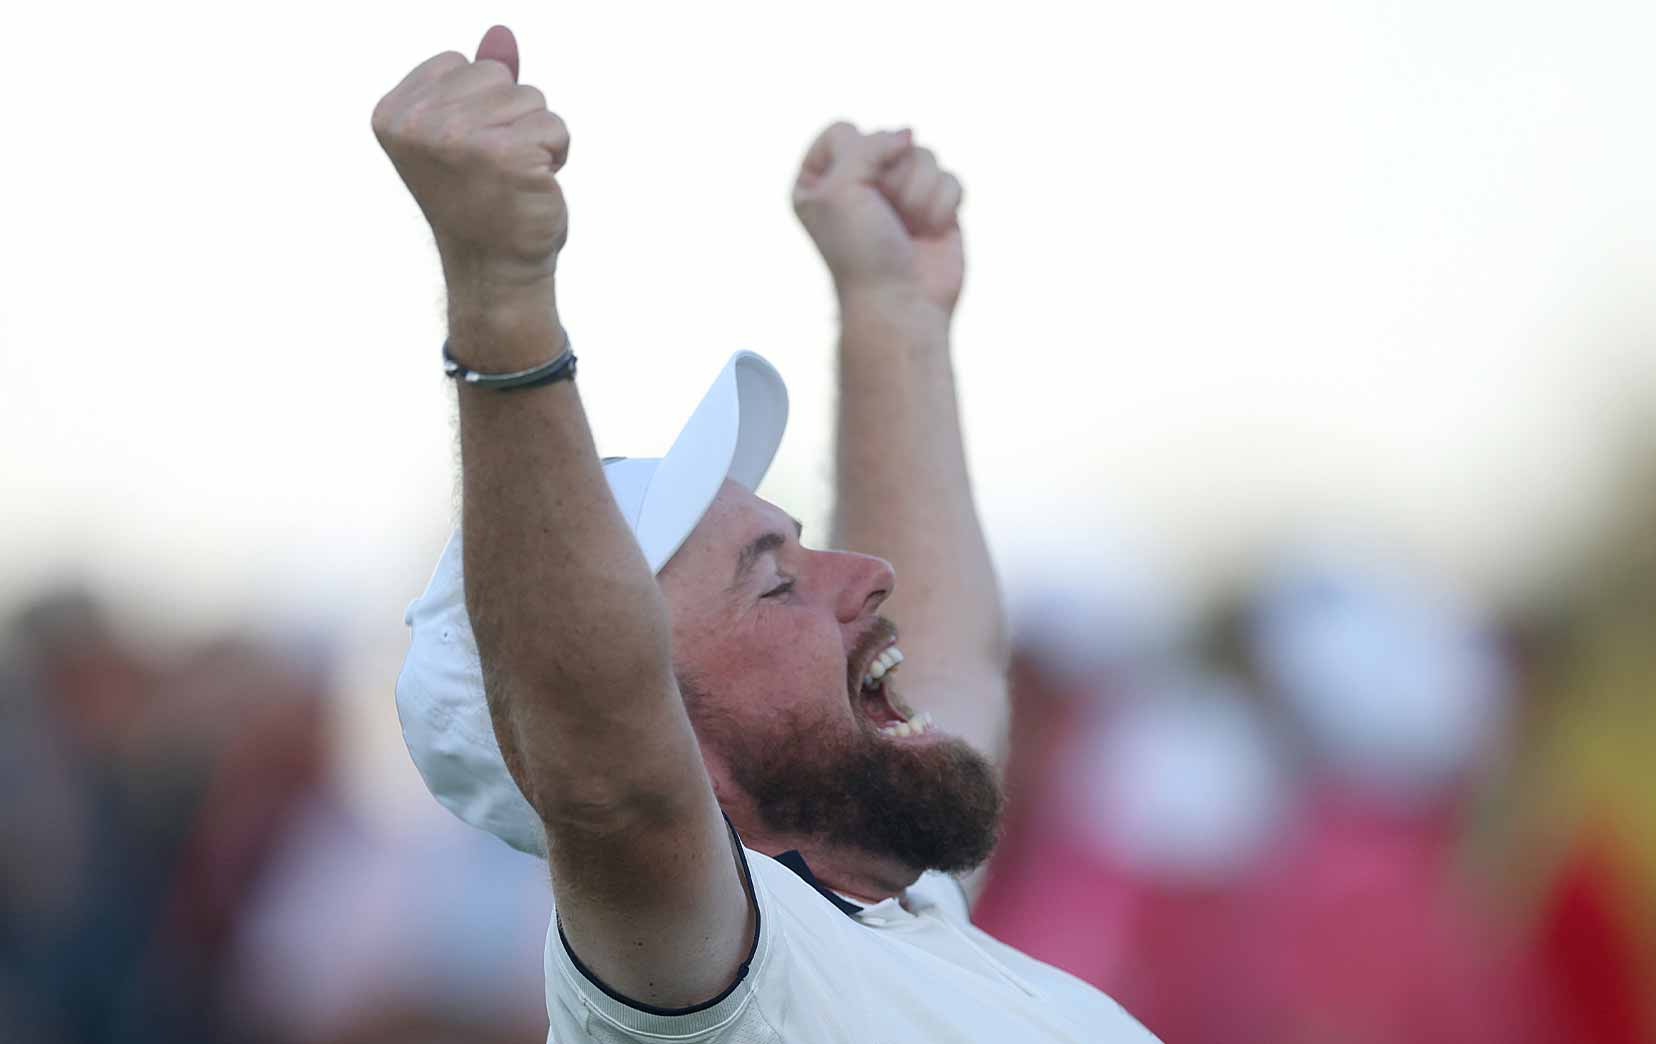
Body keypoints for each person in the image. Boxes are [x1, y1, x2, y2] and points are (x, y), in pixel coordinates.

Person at [375, 24, 1162, 1043]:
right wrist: (499, 292)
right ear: (664, 736)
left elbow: (952, 660)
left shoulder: (898, 910)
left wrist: (892, 309)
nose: (867, 576)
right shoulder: (712, 976)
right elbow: (604, 769)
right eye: (774, 580)